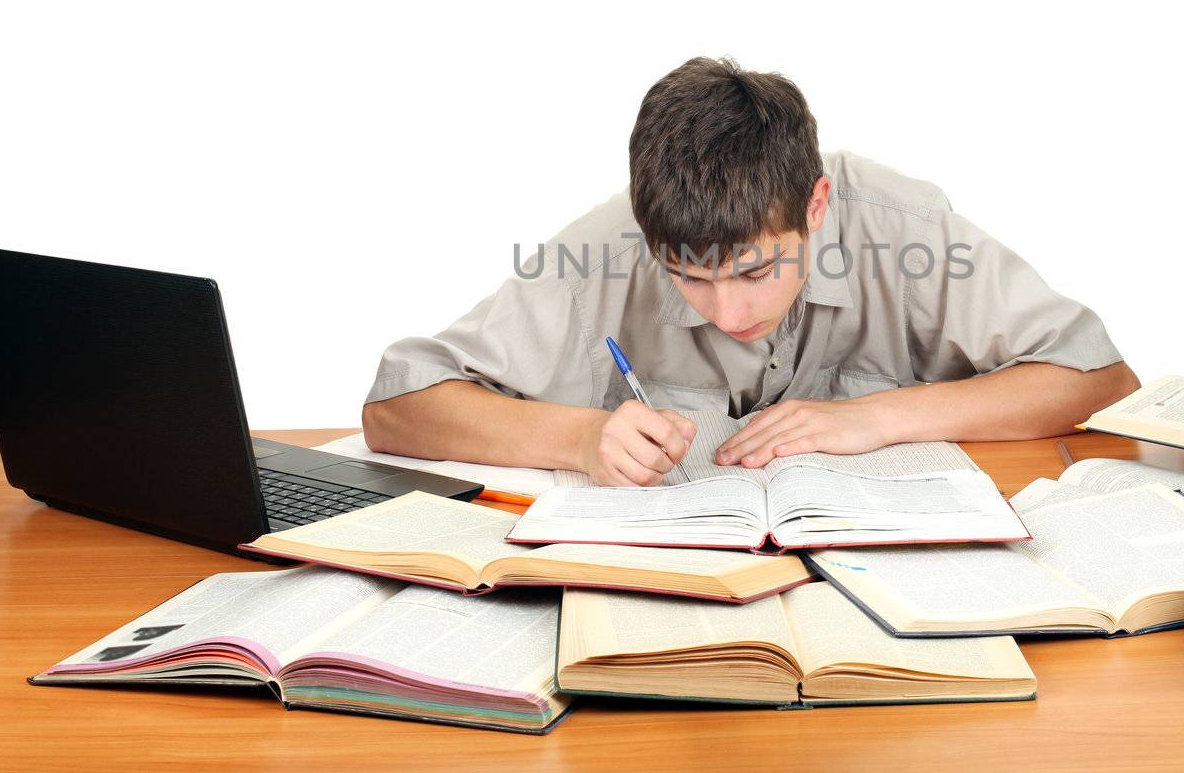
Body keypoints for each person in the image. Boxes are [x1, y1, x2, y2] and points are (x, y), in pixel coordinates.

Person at [362, 57, 1140, 486]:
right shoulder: (608, 243)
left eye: (757, 270)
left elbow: (1099, 376)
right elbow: (398, 405)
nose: (728, 311)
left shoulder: (904, 226)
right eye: (689, 276)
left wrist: (876, 418)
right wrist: (581, 437)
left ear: (817, 205)